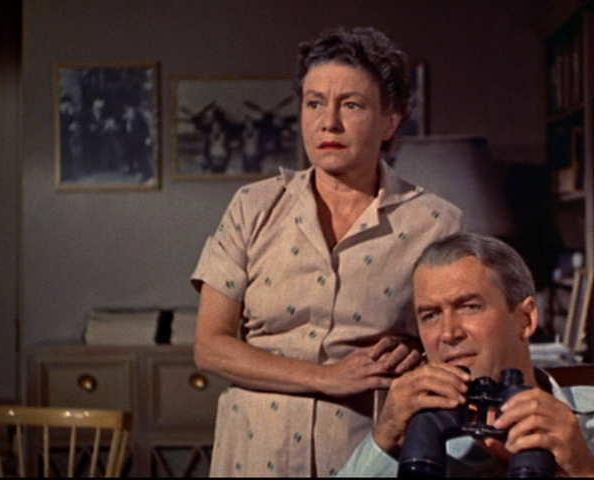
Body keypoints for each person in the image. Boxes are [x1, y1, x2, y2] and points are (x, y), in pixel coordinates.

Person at [190, 26, 463, 477]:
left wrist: (414, 349)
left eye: (351, 105)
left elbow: (453, 344)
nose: (328, 122)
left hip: (365, 456)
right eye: (315, 103)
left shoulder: (435, 224)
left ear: (390, 121)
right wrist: (326, 377)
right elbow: (210, 347)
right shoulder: (253, 207)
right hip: (254, 455)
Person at [336, 232, 594, 477]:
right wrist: (384, 439)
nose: (448, 333)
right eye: (430, 315)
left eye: (469, 306)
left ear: (525, 318)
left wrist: (585, 470)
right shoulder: (410, 434)